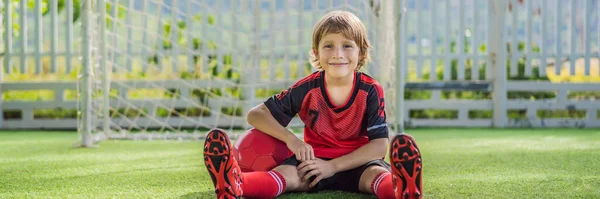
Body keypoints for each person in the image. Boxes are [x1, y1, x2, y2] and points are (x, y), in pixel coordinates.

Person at [203, 10, 422, 199]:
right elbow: (256, 115)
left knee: (376, 177)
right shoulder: (307, 88)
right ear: (316, 52)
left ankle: (401, 190)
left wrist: (333, 167)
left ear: (361, 52)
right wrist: (292, 141)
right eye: (328, 46)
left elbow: (379, 146)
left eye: (347, 46)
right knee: (286, 177)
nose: (338, 54)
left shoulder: (370, 90)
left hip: (357, 163)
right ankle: (235, 184)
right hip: (313, 162)